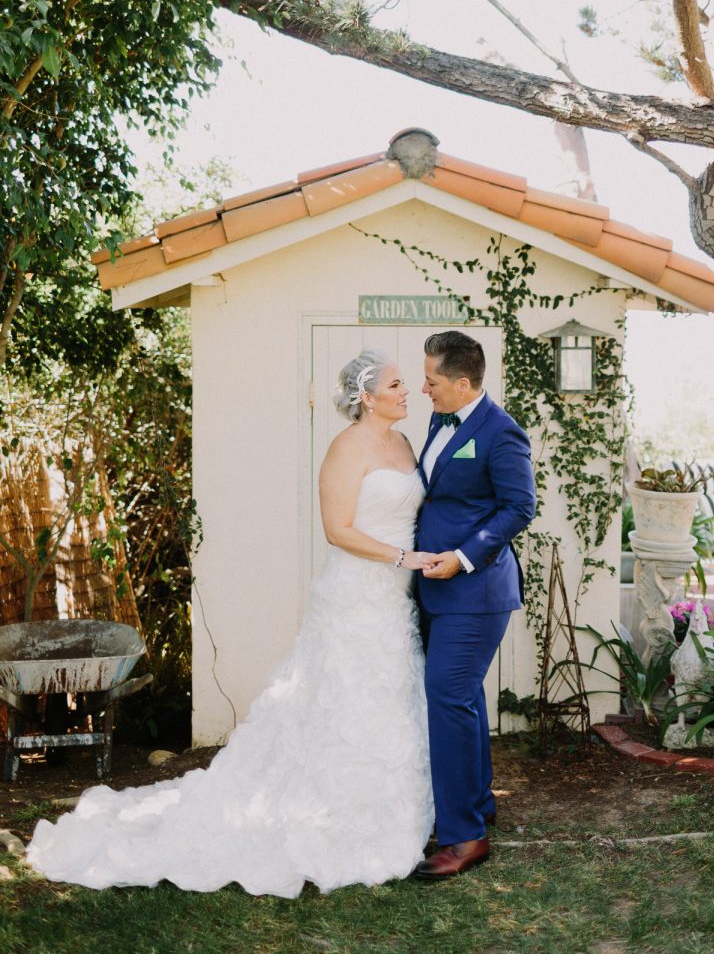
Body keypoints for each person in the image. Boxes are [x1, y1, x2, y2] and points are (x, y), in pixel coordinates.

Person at [26, 351, 434, 896]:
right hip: (358, 593)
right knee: (349, 696)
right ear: (368, 396)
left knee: (392, 695)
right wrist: (402, 559)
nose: (407, 391)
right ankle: (335, 812)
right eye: (396, 383)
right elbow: (337, 530)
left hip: (397, 596)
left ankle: (389, 808)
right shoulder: (346, 448)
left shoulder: (405, 444)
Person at [413, 330, 536, 880]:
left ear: (464, 384)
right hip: (435, 589)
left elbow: (519, 507)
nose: (423, 389)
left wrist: (462, 557)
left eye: (432, 381)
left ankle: (464, 838)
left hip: (475, 591)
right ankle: (479, 808)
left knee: (447, 697)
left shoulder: (502, 433)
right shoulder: (441, 420)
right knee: (463, 699)